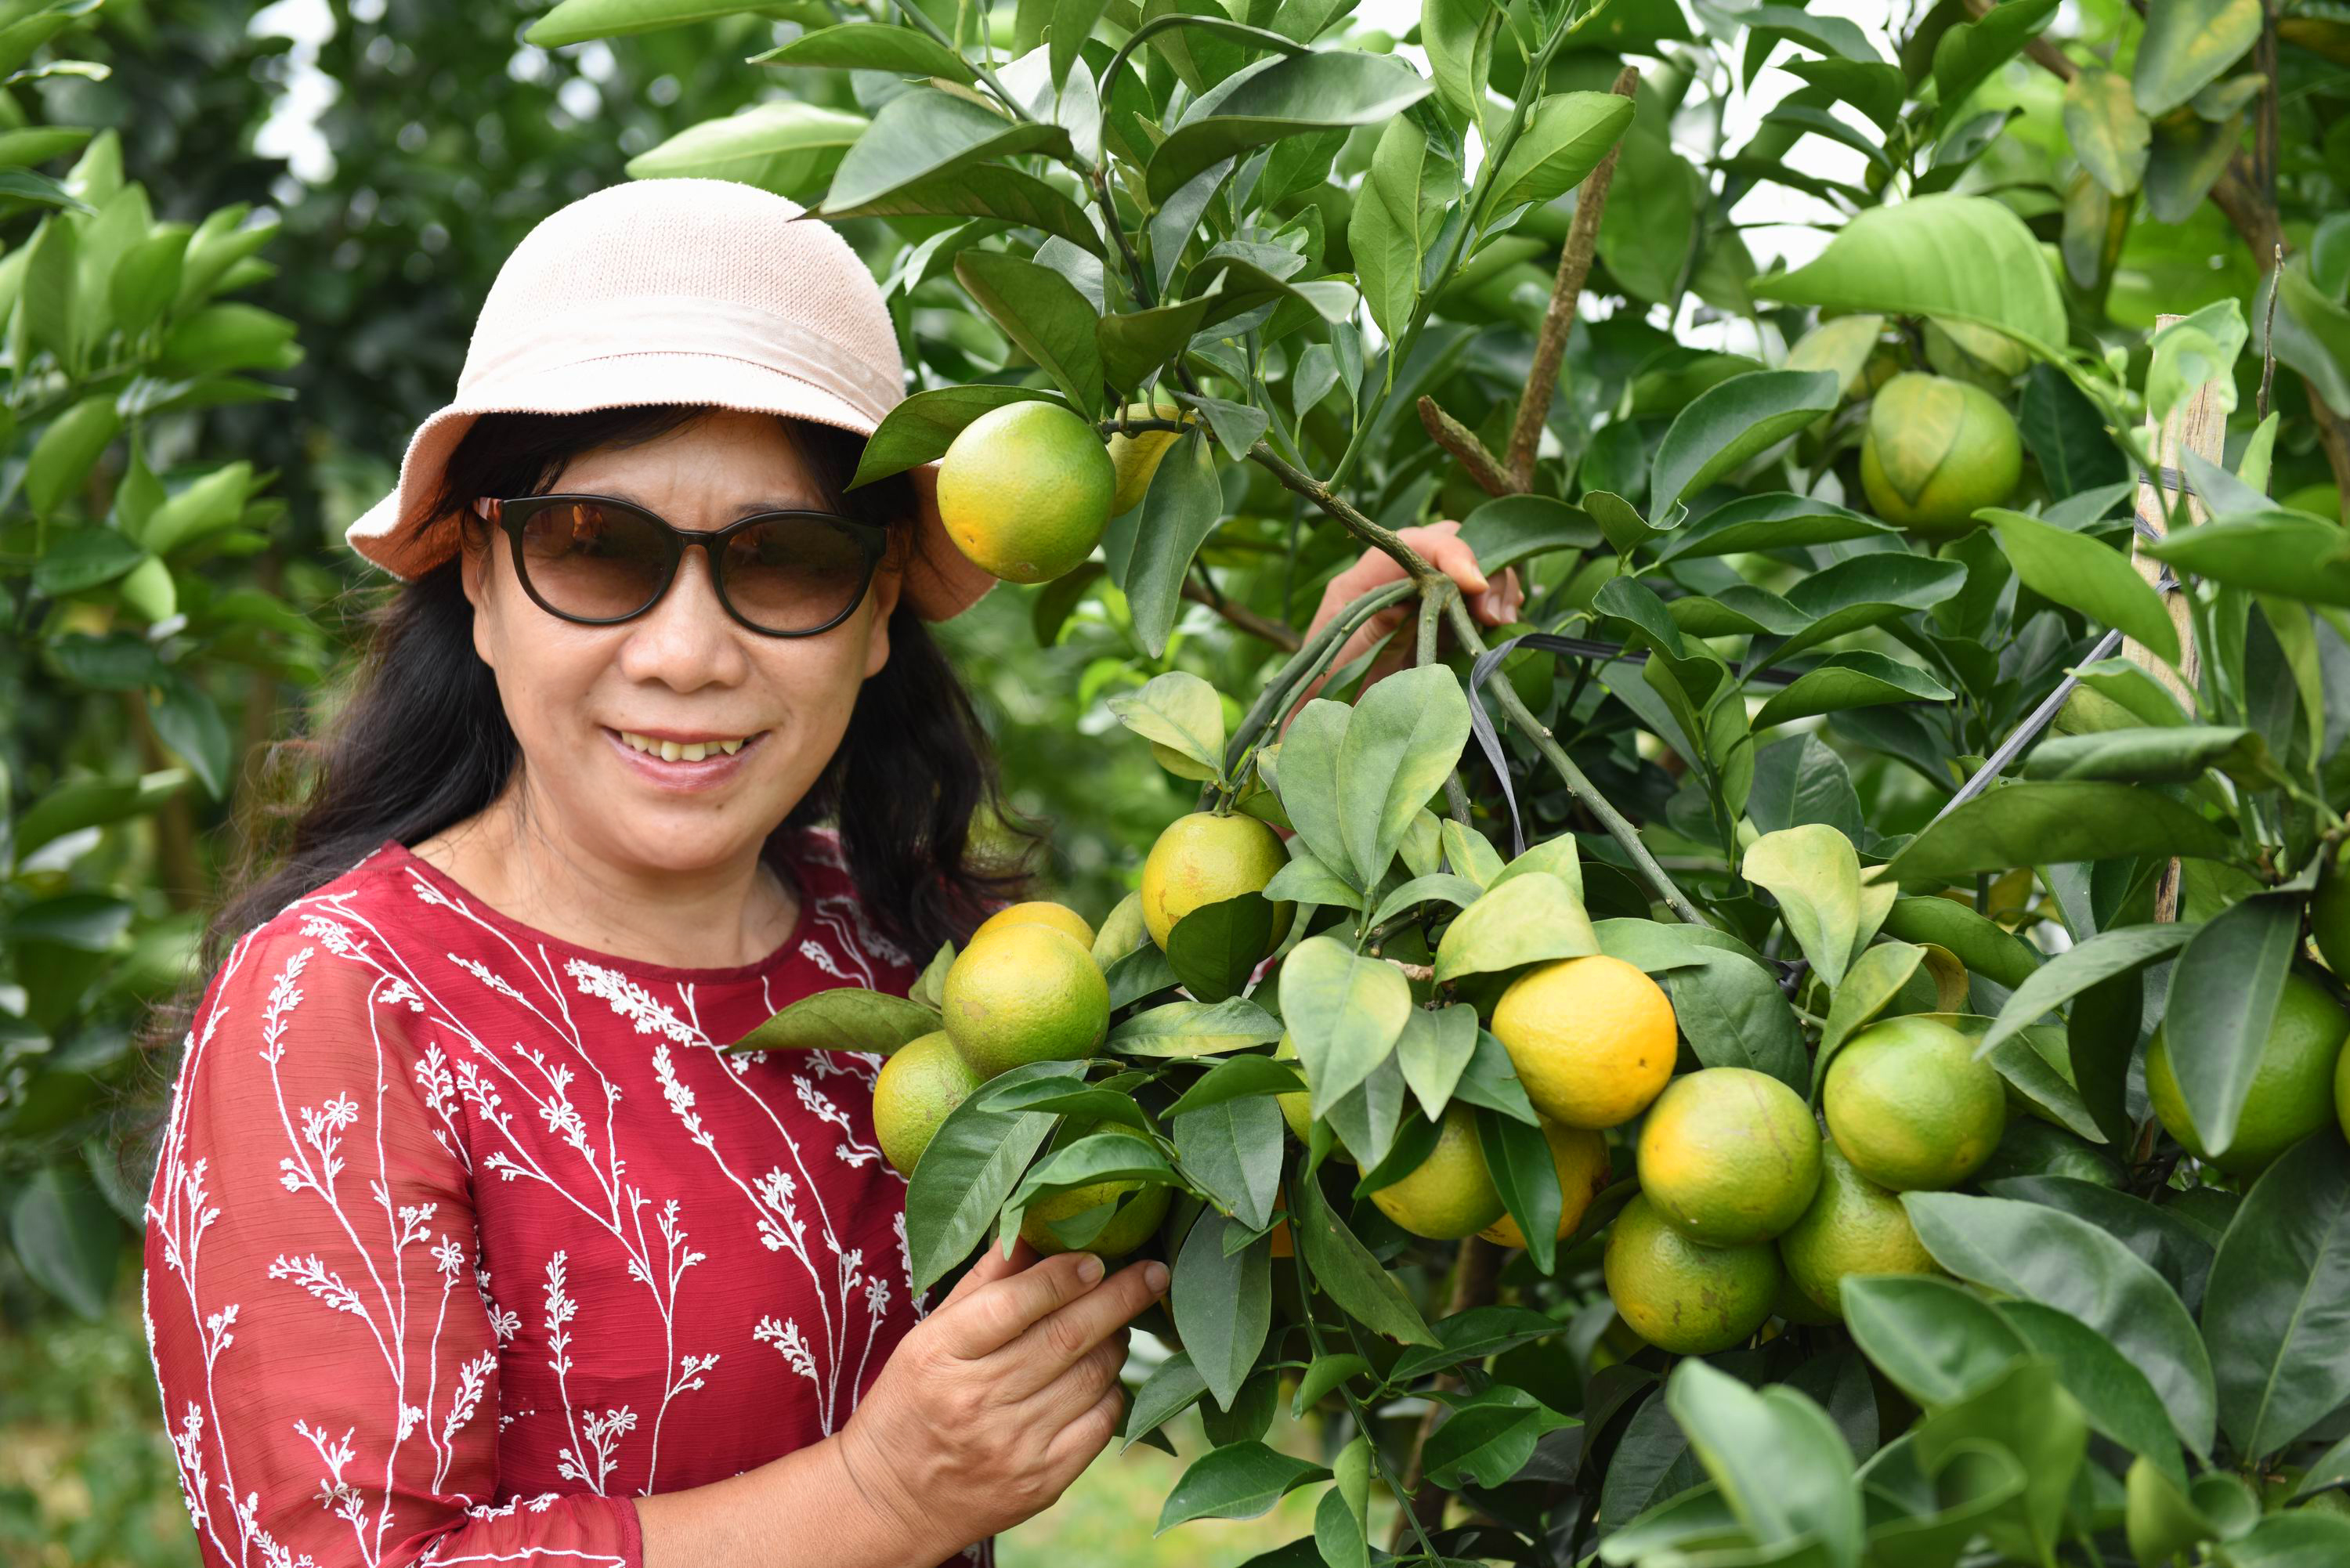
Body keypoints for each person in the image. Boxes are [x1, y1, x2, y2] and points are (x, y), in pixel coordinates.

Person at [140, 177, 1513, 1568]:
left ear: (873, 616)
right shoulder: (341, 1005)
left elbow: (1177, 1071)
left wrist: (1339, 732)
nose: (686, 652)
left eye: (783, 561)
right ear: (481, 580)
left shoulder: (903, 961)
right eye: (594, 548)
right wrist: (881, 1496)